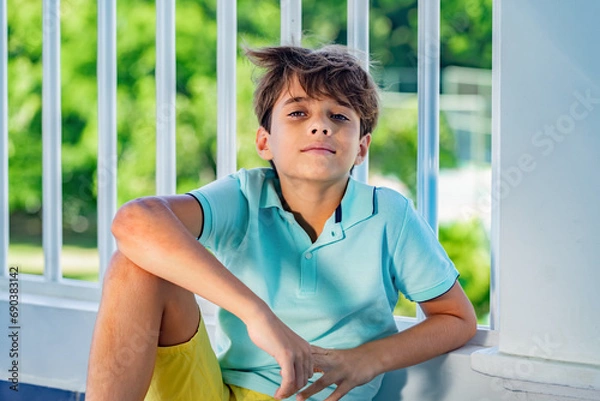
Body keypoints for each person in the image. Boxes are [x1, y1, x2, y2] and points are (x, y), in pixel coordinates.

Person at [85, 45, 477, 401]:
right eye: (298, 112)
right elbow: (134, 221)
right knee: (135, 264)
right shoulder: (244, 195)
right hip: (220, 392)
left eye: (339, 115)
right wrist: (259, 316)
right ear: (264, 142)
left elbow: (457, 318)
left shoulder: (390, 215)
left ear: (361, 147)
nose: (320, 125)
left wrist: (366, 361)